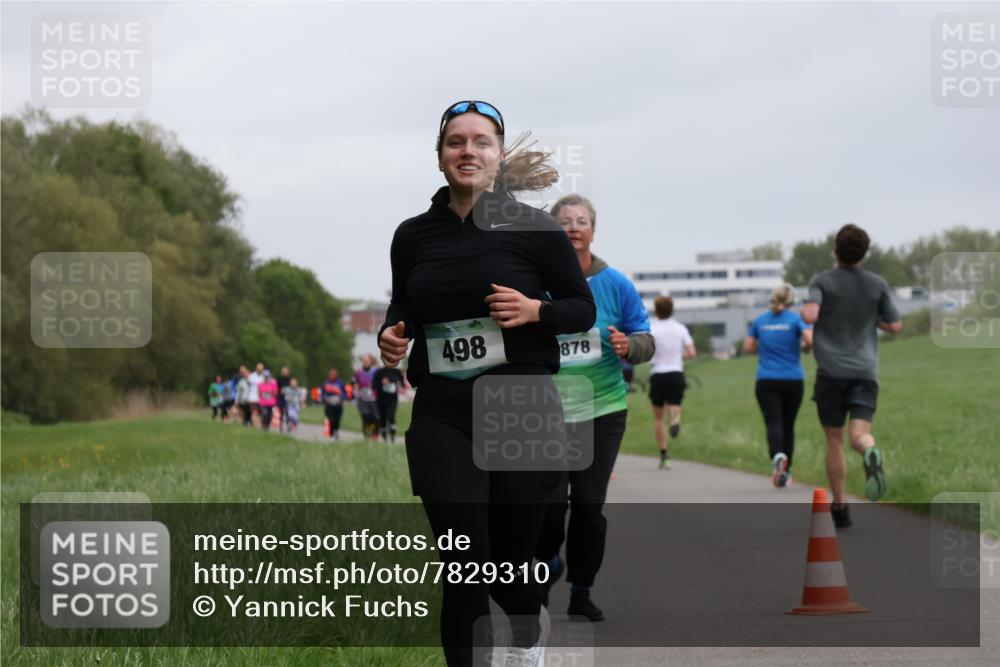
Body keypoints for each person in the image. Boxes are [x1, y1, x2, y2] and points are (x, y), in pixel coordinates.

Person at [378, 100, 595, 667]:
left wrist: (536, 311)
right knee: (463, 566)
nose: (467, 151)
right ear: (439, 156)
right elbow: (404, 304)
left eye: (481, 142)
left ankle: (528, 627)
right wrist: (391, 333)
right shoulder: (412, 236)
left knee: (509, 564)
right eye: (456, 142)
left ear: (498, 156)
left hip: (520, 404)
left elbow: (581, 308)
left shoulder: (536, 230)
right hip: (443, 410)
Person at [535, 194, 654, 622]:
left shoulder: (616, 284)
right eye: (564, 221)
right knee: (549, 507)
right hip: (545, 413)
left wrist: (629, 345)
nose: (573, 227)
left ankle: (581, 590)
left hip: (603, 409)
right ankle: (546, 566)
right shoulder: (535, 282)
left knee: (588, 505)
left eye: (581, 221)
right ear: (552, 231)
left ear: (593, 230)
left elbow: (645, 338)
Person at [802, 224, 901, 528]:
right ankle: (869, 451)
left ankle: (840, 507)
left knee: (834, 439)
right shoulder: (876, 283)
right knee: (858, 435)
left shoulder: (822, 280)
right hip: (865, 372)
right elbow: (895, 325)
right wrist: (872, 319)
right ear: (864, 252)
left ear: (836, 250)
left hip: (831, 373)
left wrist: (811, 312)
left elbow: (810, 315)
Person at [744, 284, 813, 488]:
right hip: (793, 379)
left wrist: (764, 347)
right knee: (788, 425)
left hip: (766, 379)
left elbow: (747, 347)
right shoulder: (796, 319)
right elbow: (810, 340)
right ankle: (787, 470)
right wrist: (804, 347)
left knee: (773, 422)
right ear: (791, 301)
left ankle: (777, 457)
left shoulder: (760, 321)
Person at [648, 296, 695, 468]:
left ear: (656, 310)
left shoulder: (652, 329)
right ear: (672, 309)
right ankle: (675, 419)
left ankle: (664, 454)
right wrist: (677, 356)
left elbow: (647, 352)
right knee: (675, 403)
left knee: (658, 418)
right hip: (676, 372)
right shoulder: (680, 328)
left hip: (658, 373)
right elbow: (691, 352)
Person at [373, 361, 405, 442]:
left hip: (393, 399)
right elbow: (374, 385)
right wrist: (381, 382)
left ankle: (392, 436)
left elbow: (402, 383)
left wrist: (399, 383)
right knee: (382, 418)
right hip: (381, 400)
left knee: (391, 416)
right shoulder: (379, 372)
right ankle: (384, 438)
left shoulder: (397, 371)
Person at [353, 355, 381, 440]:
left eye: (367, 361)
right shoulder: (358, 372)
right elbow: (353, 382)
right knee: (366, 416)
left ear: (370, 362)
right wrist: (355, 385)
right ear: (362, 362)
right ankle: (367, 434)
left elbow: (380, 382)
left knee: (375, 418)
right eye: (364, 361)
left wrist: (374, 385)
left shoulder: (375, 371)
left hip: (373, 399)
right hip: (362, 399)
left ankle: (374, 433)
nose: (365, 363)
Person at [321, 368, 347, 441]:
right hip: (329, 406)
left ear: (337, 375)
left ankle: (336, 432)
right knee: (331, 420)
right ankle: (332, 434)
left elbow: (345, 393)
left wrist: (341, 398)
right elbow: (322, 394)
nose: (333, 375)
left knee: (337, 420)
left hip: (338, 405)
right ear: (328, 374)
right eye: (331, 374)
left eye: (334, 374)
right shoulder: (325, 383)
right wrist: (325, 399)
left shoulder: (340, 383)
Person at [247, 362, 264, 428]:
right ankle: (254, 425)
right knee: (254, 411)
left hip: (261, 398)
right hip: (252, 397)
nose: (260, 370)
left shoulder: (263, 376)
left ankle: (258, 424)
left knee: (260, 412)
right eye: (259, 368)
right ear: (256, 368)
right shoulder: (251, 376)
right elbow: (248, 385)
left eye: (261, 369)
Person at [277, 366, 291, 432]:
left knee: (287, 412)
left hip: (288, 399)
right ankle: (281, 426)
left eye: (285, 372)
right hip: (281, 398)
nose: (284, 373)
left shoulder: (290, 380)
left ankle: (288, 425)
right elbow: (276, 388)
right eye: (283, 372)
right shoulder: (279, 380)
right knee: (281, 413)